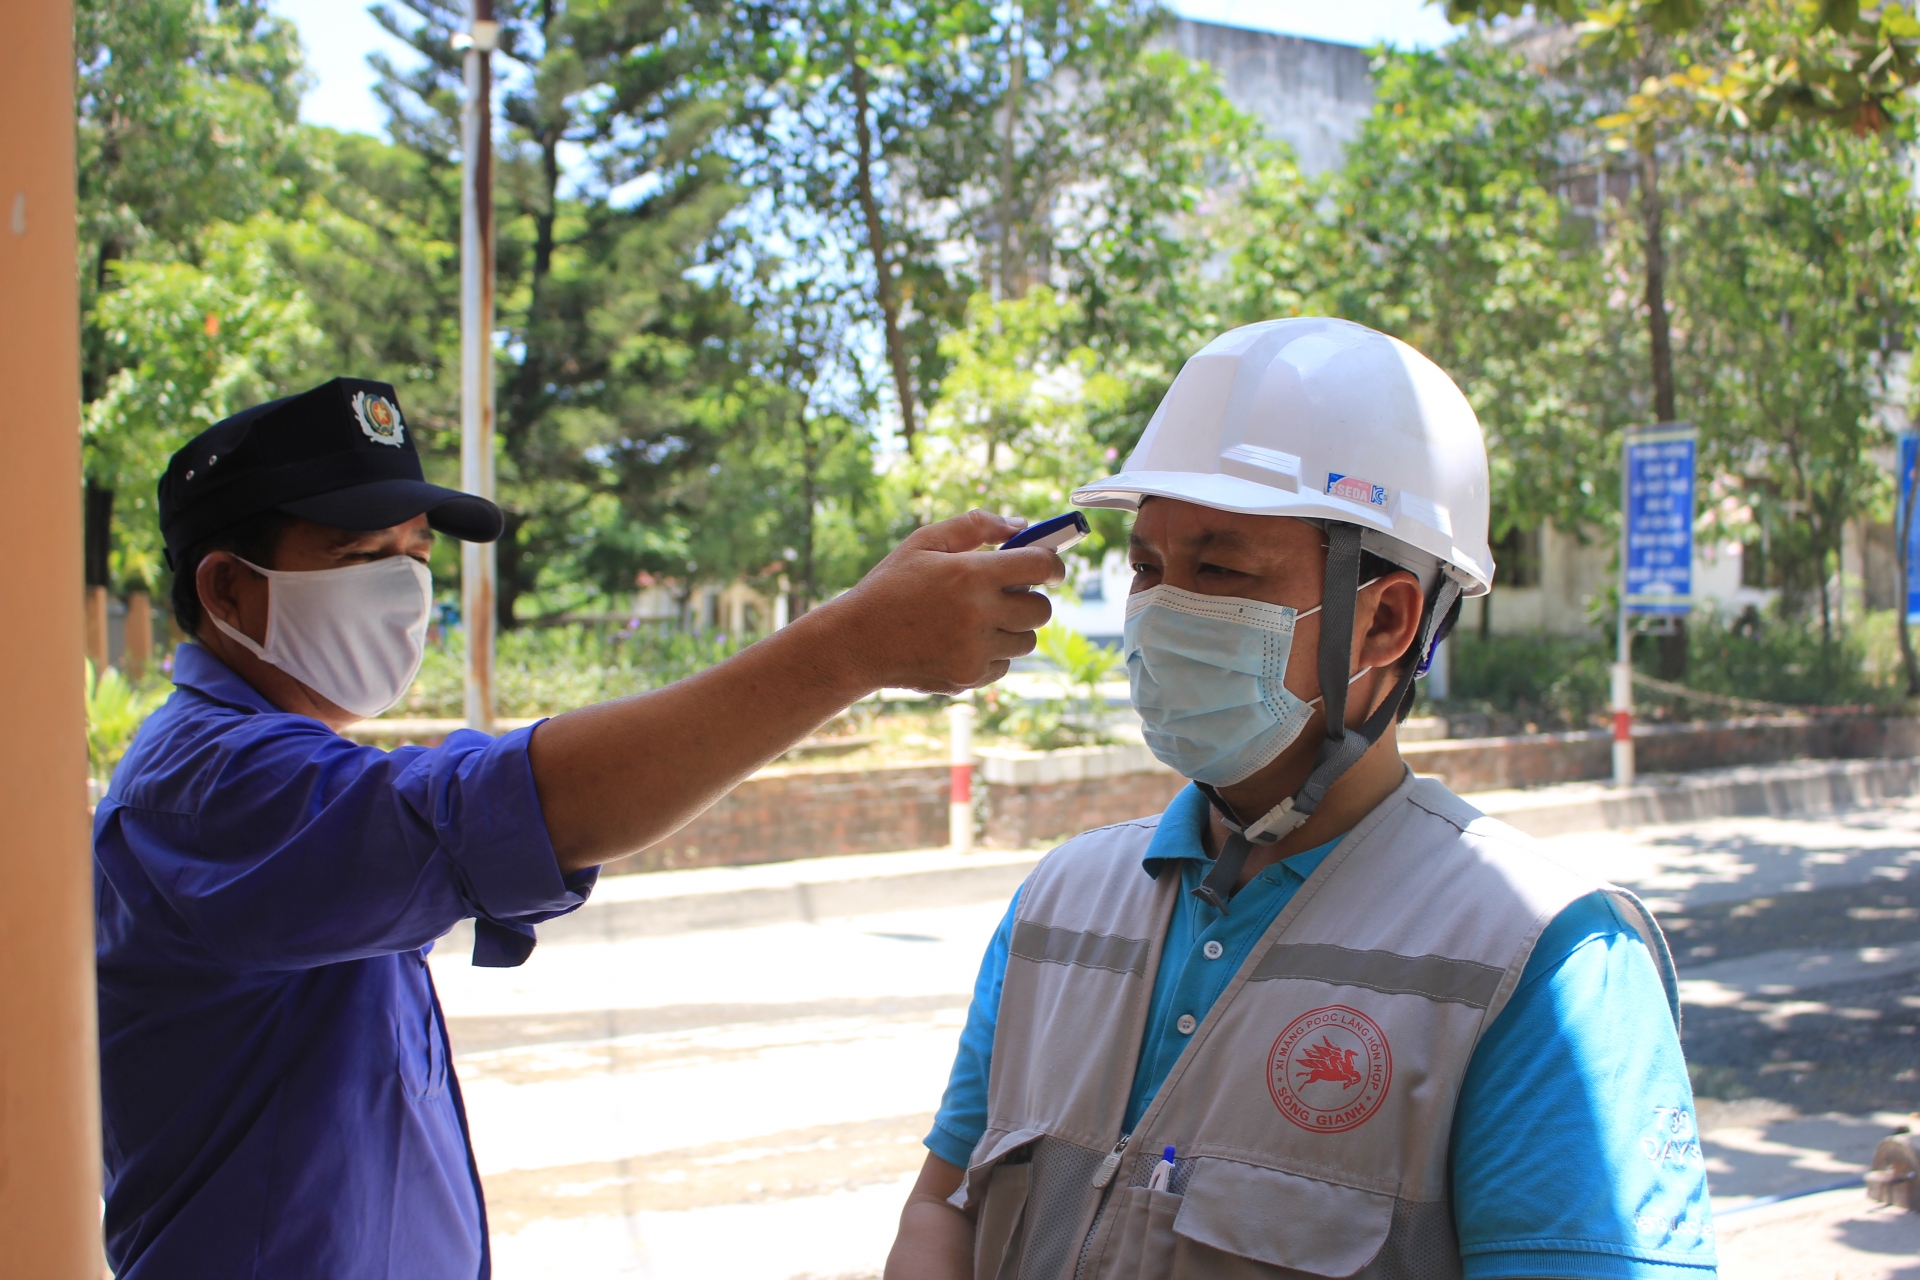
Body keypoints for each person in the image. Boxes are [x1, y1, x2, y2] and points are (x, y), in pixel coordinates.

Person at [94, 377, 1063, 1279]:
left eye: (415, 556)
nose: (403, 592)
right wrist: (853, 645)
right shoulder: (212, 789)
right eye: (358, 558)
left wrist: (858, 628)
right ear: (226, 590)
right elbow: (525, 805)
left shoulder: (277, 765)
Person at [884, 319, 1716, 1280]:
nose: (1160, 611)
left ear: (1386, 622)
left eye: (1220, 570)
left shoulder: (1542, 961)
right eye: (1147, 568)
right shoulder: (1060, 904)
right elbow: (942, 1212)